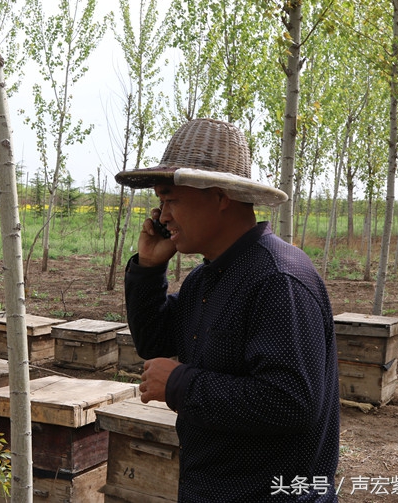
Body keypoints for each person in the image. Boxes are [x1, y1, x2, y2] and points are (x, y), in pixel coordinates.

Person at [115, 118, 339, 502]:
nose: (162, 215)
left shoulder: (277, 279)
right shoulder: (208, 278)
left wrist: (180, 384)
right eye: (160, 203)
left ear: (220, 197)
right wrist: (149, 270)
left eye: (171, 199)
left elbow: (291, 401)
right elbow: (154, 340)